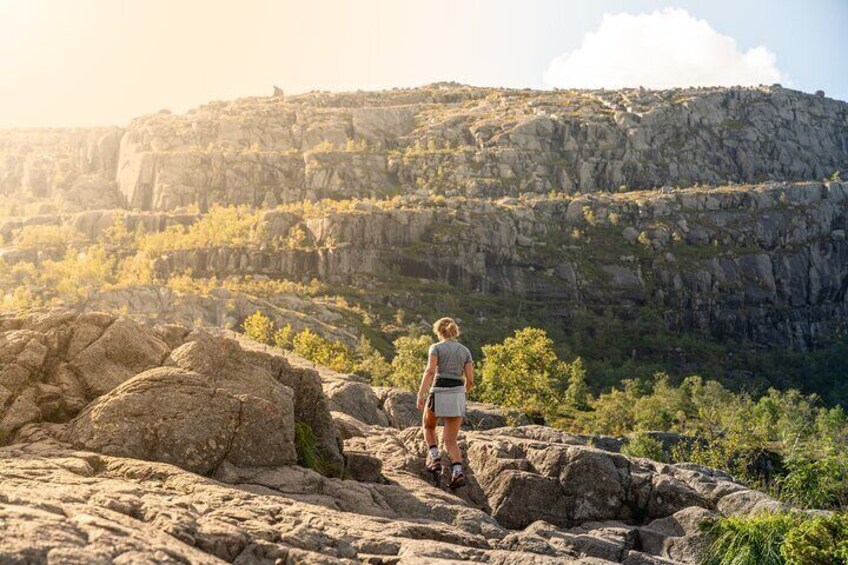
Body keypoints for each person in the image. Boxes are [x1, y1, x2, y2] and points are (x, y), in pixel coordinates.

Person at [416, 317, 474, 488]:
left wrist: (421, 394)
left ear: (438, 331)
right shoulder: (465, 351)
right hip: (457, 392)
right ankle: (457, 472)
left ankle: (434, 458)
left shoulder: (436, 348)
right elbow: (470, 380)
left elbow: (430, 371)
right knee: (451, 440)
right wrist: (462, 393)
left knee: (428, 426)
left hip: (438, 391)